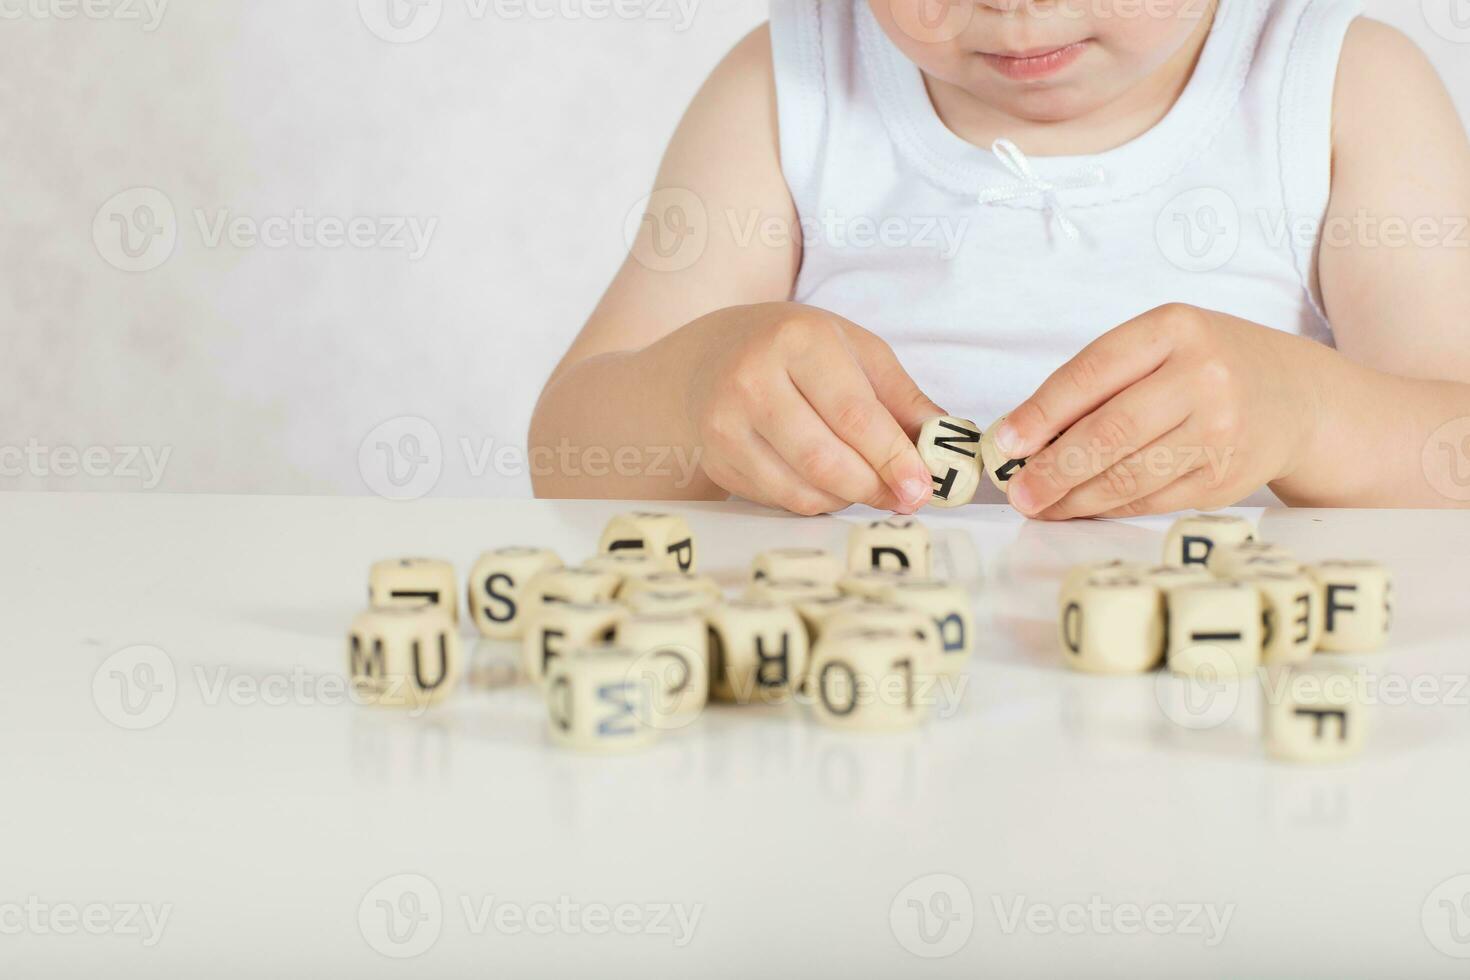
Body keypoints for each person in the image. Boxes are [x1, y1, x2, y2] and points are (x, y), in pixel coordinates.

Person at [530, 0, 1470, 516]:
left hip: (1206, 725)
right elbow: (568, 454)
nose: (1018, 9)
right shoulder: (790, 85)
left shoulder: (1342, 84)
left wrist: (1308, 415)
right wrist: (696, 391)